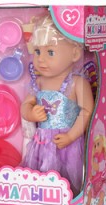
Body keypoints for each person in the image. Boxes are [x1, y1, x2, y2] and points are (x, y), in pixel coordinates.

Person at [21, 15, 93, 195]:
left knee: (67, 181)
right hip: (41, 143)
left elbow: (87, 111)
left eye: (50, 52)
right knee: (39, 179)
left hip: (67, 146)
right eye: (37, 51)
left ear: (75, 54)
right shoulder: (39, 82)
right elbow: (25, 105)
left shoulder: (77, 83)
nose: (41, 59)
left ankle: (70, 202)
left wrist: (71, 136)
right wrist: (31, 113)